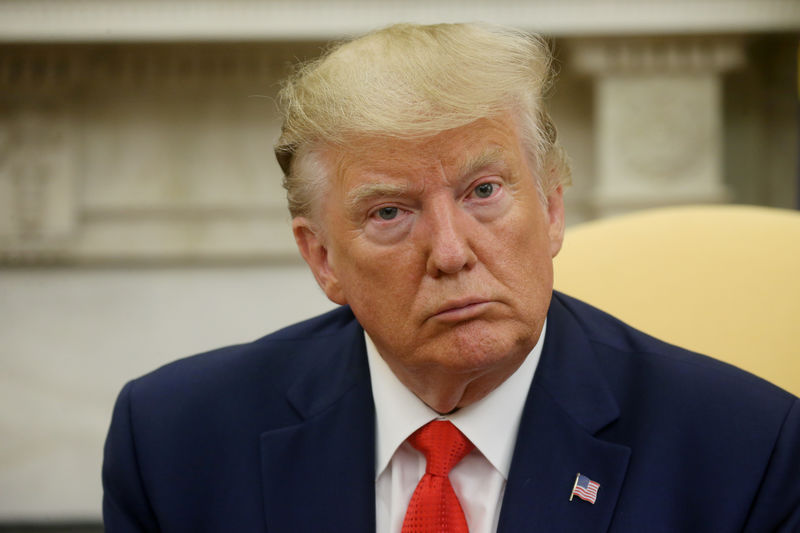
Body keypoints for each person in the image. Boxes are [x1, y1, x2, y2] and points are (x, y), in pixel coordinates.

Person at [102, 23, 800, 533]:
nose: (450, 251)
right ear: (322, 259)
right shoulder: (175, 442)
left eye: (485, 191)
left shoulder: (744, 451)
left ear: (552, 207)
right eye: (389, 211)